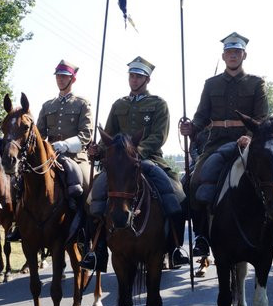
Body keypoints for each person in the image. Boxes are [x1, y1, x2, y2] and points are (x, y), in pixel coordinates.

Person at [83, 56, 189, 271]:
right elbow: (110, 136)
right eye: (131, 75)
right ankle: (97, 250)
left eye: (138, 76)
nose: (133, 79)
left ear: (147, 79)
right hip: (119, 163)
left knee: (177, 195)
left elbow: (159, 136)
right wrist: (98, 150)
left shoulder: (158, 104)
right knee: (93, 197)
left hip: (148, 158)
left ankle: (176, 248)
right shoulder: (118, 104)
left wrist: (134, 152)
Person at [180, 32, 268, 257]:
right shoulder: (211, 84)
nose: (232, 56)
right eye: (229, 52)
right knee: (193, 181)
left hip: (247, 141)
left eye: (236, 52)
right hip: (216, 141)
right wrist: (192, 128)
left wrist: (250, 135)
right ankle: (201, 236)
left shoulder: (257, 83)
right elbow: (201, 116)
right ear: (223, 56)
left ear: (244, 55)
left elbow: (261, 117)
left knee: (272, 179)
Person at [36, 59, 93, 214]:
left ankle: (87, 230)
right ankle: (18, 225)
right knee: (23, 180)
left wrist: (66, 144)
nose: (60, 79)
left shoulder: (82, 104)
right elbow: (39, 134)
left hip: (76, 156)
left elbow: (86, 134)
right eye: (58, 76)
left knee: (89, 187)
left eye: (64, 76)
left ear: (72, 79)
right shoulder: (47, 105)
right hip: (50, 155)